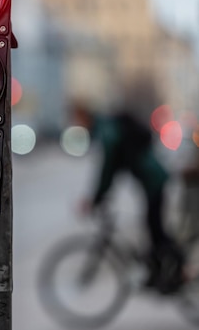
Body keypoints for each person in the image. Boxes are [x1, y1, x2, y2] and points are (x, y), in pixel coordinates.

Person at [73, 103, 185, 294]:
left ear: (85, 116)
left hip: (154, 181)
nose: (77, 125)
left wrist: (97, 198)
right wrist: (101, 195)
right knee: (151, 225)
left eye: (78, 120)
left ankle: (178, 267)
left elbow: (108, 169)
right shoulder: (108, 127)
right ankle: (157, 272)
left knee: (154, 227)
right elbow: (113, 168)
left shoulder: (107, 131)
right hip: (151, 180)